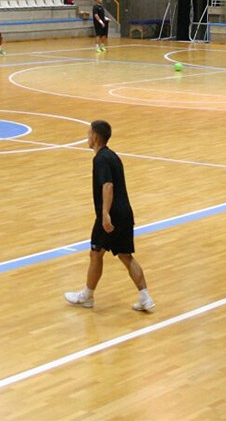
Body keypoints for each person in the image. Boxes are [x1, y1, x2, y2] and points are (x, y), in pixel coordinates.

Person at [65, 120, 155, 312]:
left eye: (89, 134)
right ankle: (145, 297)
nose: (87, 138)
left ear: (95, 137)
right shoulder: (113, 156)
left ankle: (87, 296)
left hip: (111, 215)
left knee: (96, 253)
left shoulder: (100, 159)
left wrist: (105, 214)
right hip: (125, 213)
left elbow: (108, 186)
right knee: (126, 256)